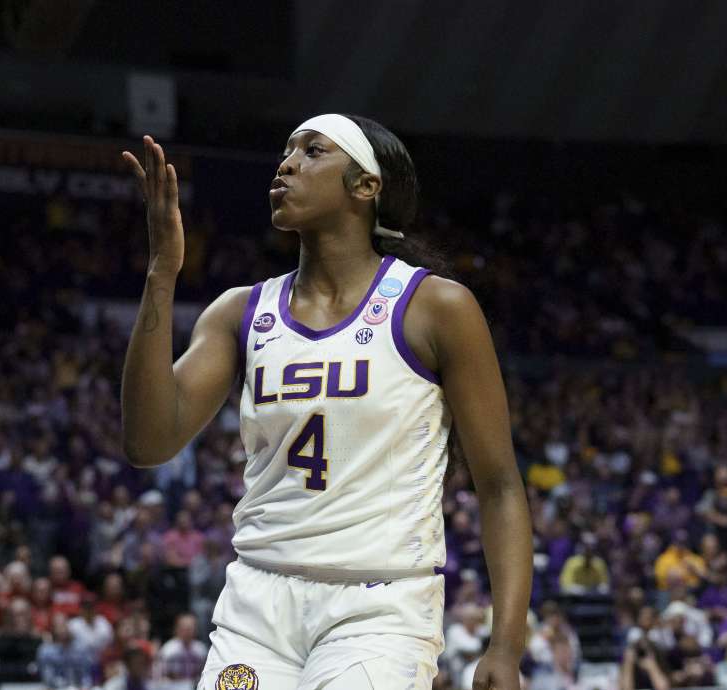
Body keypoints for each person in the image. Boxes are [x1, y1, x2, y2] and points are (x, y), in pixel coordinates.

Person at [120, 114, 532, 690]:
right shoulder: (241, 312)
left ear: (366, 187)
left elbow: (501, 485)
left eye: (312, 151)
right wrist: (162, 272)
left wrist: (506, 646)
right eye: (286, 151)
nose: (285, 164)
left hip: (379, 601)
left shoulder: (434, 308)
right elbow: (146, 441)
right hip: (256, 602)